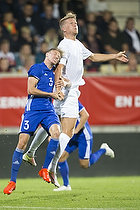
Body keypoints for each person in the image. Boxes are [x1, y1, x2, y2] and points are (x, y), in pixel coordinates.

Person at [44, 12, 128, 182]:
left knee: (58, 133)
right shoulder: (65, 45)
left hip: (67, 92)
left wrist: (114, 56)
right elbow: (60, 67)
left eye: (75, 22)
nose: (75, 24)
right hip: (67, 92)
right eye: (71, 23)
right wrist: (58, 82)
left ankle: (48, 166)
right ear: (64, 29)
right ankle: (49, 168)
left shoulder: (78, 44)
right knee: (64, 133)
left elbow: (93, 56)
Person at [3, 48, 63, 195]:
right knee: (22, 143)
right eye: (55, 54)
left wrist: (64, 84)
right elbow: (30, 89)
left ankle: (44, 169)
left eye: (59, 56)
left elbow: (63, 70)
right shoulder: (37, 68)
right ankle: (12, 182)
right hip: (33, 110)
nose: (57, 57)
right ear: (47, 54)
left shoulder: (54, 72)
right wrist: (52, 94)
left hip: (48, 110)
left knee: (56, 133)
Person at [23, 101, 115, 191]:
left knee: (84, 164)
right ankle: (66, 185)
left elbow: (85, 115)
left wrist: (76, 130)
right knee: (61, 157)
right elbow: (57, 120)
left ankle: (103, 149)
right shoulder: (57, 103)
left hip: (82, 136)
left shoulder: (71, 100)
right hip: (69, 135)